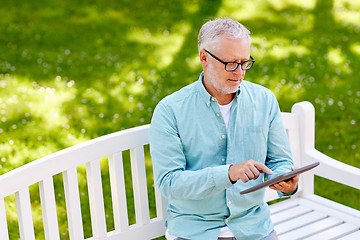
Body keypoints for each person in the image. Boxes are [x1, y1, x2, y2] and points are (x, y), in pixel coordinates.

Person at [149, 17, 299, 240]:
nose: (239, 72)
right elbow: (170, 184)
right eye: (230, 63)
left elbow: (280, 160)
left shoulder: (264, 100)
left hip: (253, 227)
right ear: (204, 58)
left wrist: (284, 180)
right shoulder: (170, 110)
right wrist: (229, 173)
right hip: (195, 230)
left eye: (244, 62)